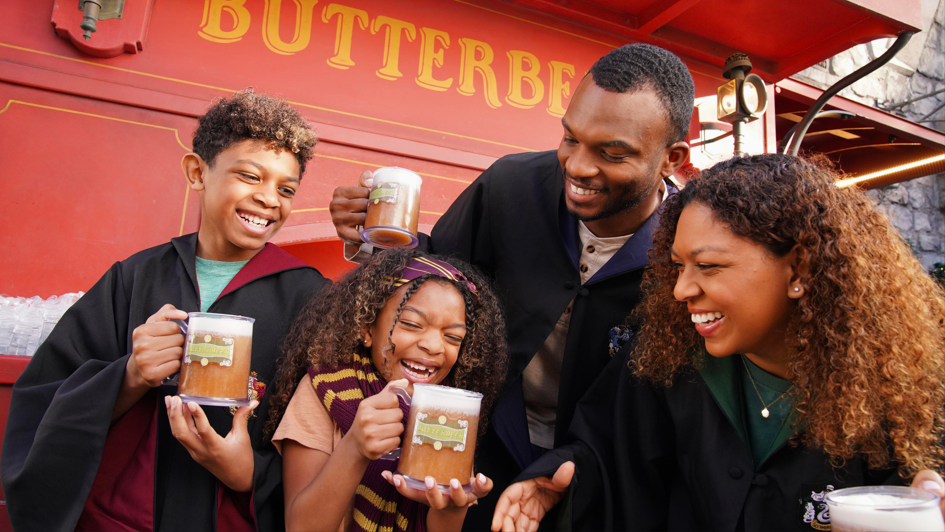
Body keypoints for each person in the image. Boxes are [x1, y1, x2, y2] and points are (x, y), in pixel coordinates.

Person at [328, 43, 694, 527]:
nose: (577, 166)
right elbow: (441, 273)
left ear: (671, 158)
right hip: (479, 448)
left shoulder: (691, 247)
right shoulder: (510, 186)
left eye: (611, 153)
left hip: (604, 477)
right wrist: (372, 237)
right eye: (570, 138)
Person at [491, 154, 945, 531]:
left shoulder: (902, 395)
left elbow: (917, 486)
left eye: (708, 267)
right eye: (678, 266)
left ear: (800, 268)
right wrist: (559, 482)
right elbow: (607, 450)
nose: (681, 290)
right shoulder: (667, 359)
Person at [1, 89, 325, 532]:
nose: (270, 198)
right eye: (250, 176)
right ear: (197, 172)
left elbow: (325, 435)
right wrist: (130, 374)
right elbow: (43, 398)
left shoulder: (309, 298)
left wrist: (250, 473)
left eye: (286, 189)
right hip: (120, 519)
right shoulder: (135, 277)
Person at [265, 249, 508, 531]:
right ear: (367, 327)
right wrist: (355, 447)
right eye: (411, 324)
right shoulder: (323, 390)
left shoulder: (451, 415)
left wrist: (451, 507)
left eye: (453, 337)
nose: (433, 346)